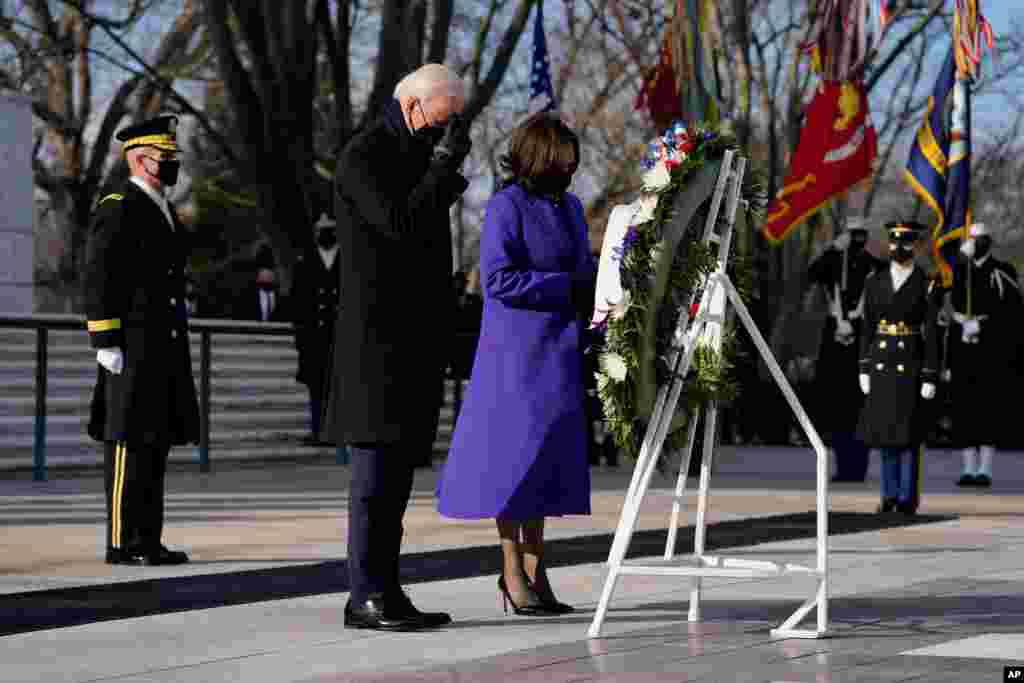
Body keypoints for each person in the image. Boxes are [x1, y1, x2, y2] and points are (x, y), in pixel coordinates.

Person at [323, 63, 471, 631]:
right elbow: (400, 225)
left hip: (415, 343)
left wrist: (440, 168)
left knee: (398, 484)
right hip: (375, 348)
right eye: (444, 119)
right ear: (413, 107)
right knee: (374, 483)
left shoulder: (412, 153)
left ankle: (387, 587)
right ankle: (364, 594)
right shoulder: (364, 157)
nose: (448, 133)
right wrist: (440, 167)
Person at [437, 112, 595, 616]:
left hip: (560, 350)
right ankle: (511, 568)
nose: (571, 169)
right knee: (514, 466)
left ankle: (536, 565)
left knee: (546, 466)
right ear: (540, 156)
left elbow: (584, 269)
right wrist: (563, 288)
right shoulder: (507, 205)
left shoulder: (570, 206)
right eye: (563, 159)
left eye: (574, 161)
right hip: (515, 355)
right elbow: (498, 279)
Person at [82, 115, 199, 565]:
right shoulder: (119, 204)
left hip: (160, 343)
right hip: (129, 342)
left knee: (154, 440)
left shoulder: (160, 205)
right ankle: (122, 540)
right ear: (138, 158)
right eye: (163, 158)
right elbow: (99, 275)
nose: (170, 165)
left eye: (173, 158)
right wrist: (105, 339)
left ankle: (147, 537)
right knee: (128, 440)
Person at [856, 221, 939, 516]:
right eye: (894, 243)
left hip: (911, 363)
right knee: (885, 436)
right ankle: (888, 495)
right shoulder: (874, 281)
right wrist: (863, 367)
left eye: (905, 243)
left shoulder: (927, 283)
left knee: (908, 437)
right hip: (881, 363)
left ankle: (907, 497)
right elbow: (866, 327)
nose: (899, 248)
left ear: (914, 247)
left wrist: (931, 373)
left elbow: (931, 331)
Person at [945, 223, 1023, 487]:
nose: (976, 244)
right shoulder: (961, 270)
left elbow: (1012, 312)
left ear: (988, 242)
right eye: (972, 239)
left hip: (991, 351)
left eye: (980, 240)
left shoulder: (1002, 270)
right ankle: (968, 468)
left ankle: (985, 469)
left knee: (989, 408)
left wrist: (982, 325)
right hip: (963, 349)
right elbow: (953, 303)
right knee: (964, 408)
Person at [807, 219, 885, 482]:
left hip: (862, 333)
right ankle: (842, 466)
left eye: (862, 235)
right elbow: (812, 273)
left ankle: (858, 467)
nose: (858, 240)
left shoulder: (872, 266)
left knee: (860, 406)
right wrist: (831, 248)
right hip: (834, 332)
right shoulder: (833, 262)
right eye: (854, 235)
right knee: (837, 404)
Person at [292, 213, 341, 445]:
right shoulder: (306, 260)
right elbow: (298, 303)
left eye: (330, 228)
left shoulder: (347, 260)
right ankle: (318, 430)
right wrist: (301, 339)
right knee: (316, 389)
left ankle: (336, 430)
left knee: (338, 387)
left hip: (340, 338)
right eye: (322, 228)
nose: (326, 232)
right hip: (314, 339)